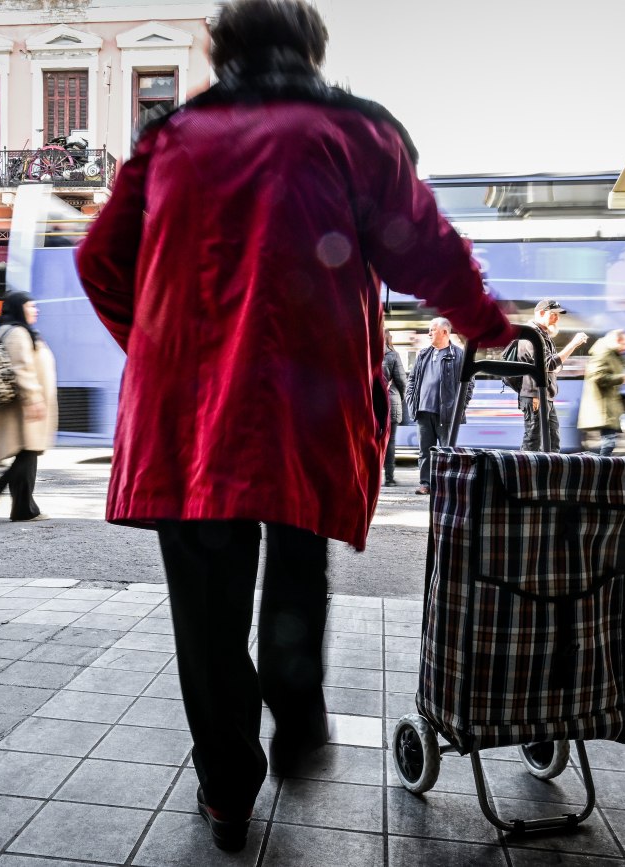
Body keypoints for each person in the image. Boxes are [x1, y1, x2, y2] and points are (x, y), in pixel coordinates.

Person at [75, 0, 514, 852]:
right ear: (312, 50)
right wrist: (488, 322)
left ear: (222, 53)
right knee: (296, 557)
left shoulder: (169, 140)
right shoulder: (355, 132)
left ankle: (227, 789)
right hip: (303, 405)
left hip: (187, 417)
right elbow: (424, 245)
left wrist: (159, 346)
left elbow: (99, 261)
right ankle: (296, 695)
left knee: (203, 614)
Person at [0, 291, 57, 521]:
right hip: (23, 407)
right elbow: (22, 368)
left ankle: (21, 506)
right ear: (20, 308)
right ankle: (0, 495)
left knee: (27, 455)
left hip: (19, 405)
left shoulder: (10, 330)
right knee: (27, 454)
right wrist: (34, 399)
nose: (35, 310)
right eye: (30, 306)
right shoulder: (18, 333)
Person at [404, 317, 472, 495]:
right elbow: (411, 380)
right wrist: (412, 400)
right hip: (423, 411)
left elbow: (469, 384)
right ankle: (425, 483)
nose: (429, 333)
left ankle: (444, 485)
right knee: (424, 451)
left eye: (432, 329)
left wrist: (459, 408)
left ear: (445, 332)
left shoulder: (459, 355)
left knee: (446, 451)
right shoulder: (424, 354)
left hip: (446, 413)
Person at [514, 299, 588, 453]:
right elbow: (550, 364)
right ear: (541, 313)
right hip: (535, 396)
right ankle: (524, 473)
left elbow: (554, 365)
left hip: (545, 395)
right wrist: (573, 344)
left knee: (553, 440)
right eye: (554, 314)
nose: (557, 318)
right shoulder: (531, 335)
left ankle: (551, 473)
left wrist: (554, 365)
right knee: (533, 441)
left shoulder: (543, 335)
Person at [578, 329, 625, 456]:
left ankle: (601, 467)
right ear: (617, 341)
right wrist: (621, 378)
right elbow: (597, 377)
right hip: (603, 404)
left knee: (609, 443)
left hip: (609, 403)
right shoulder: (603, 352)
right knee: (609, 443)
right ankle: (601, 469)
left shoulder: (614, 353)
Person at [381, 326, 407, 486]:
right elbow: (402, 381)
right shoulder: (392, 355)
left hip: (370, 405)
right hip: (391, 402)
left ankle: (370, 477)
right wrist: (399, 397)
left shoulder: (366, 354)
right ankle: (389, 478)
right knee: (390, 441)